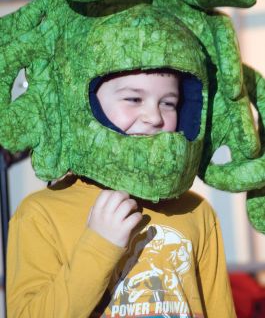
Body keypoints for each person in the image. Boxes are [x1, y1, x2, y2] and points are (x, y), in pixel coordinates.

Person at [6, 68, 236, 318]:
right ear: (84, 102)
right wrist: (99, 245)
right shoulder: (39, 214)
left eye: (168, 103)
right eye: (133, 99)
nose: (154, 117)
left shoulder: (196, 211)